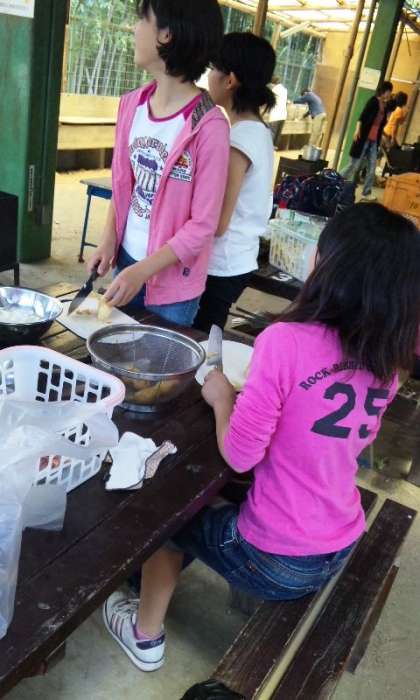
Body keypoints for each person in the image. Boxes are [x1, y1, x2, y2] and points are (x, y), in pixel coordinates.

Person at [102, 203, 420, 672]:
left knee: (167, 521)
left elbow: (239, 455)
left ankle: (144, 636)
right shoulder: (390, 359)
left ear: (326, 265)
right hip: (339, 538)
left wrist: (221, 399)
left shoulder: (285, 341)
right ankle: (158, 580)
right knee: (210, 505)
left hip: (278, 559)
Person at [87, 0, 230, 327]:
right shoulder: (131, 106)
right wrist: (109, 239)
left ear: (166, 34)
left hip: (172, 288)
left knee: (155, 361)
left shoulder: (209, 127)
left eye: (142, 19)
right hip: (127, 263)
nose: (134, 28)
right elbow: (124, 185)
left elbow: (202, 226)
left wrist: (143, 271)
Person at [193, 32, 276, 333]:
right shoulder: (259, 131)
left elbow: (218, 222)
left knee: (199, 339)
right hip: (238, 259)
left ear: (229, 80)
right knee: (205, 336)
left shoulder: (238, 140)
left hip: (221, 264)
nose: (207, 77)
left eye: (212, 68)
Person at [340, 81, 393, 202]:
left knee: (372, 166)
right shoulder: (373, 101)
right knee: (354, 165)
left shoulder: (384, 106)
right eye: (389, 91)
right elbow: (362, 117)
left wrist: (384, 137)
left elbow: (380, 125)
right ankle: (335, 180)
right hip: (364, 138)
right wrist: (357, 130)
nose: (390, 94)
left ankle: (366, 192)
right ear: (384, 91)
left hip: (374, 141)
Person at [269, 76, 288, 150]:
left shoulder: (275, 89)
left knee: (272, 133)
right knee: (278, 134)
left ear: (273, 83)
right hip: (283, 115)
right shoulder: (285, 90)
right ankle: (274, 148)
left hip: (275, 115)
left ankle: (269, 148)